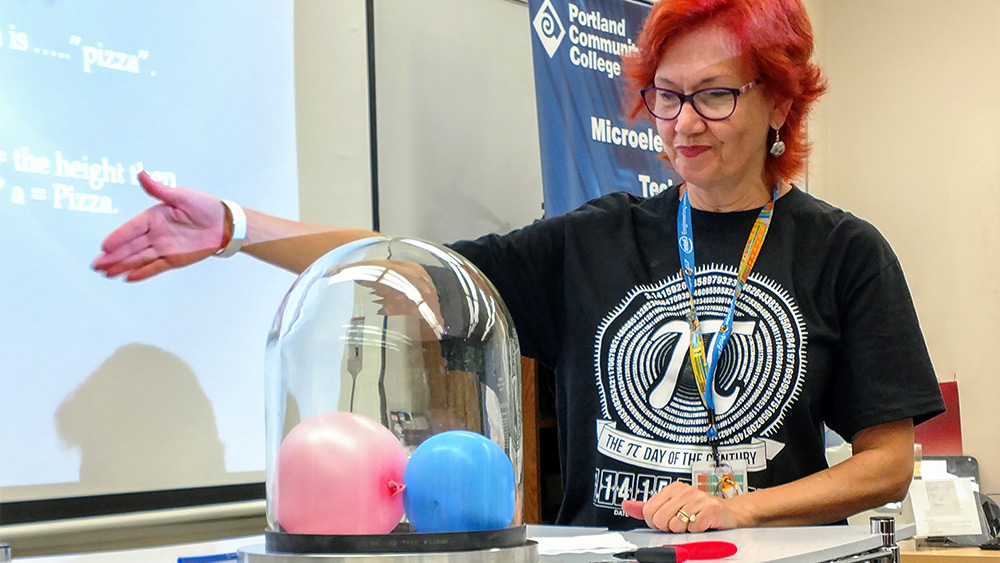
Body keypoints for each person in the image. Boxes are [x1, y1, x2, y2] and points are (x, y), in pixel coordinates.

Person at [93, 0, 944, 534]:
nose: (684, 121)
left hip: (765, 552)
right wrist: (237, 226)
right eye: (666, 94)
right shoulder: (593, 239)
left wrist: (738, 506)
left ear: (781, 101)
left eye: (715, 93)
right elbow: (408, 268)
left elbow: (888, 462)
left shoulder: (844, 252)